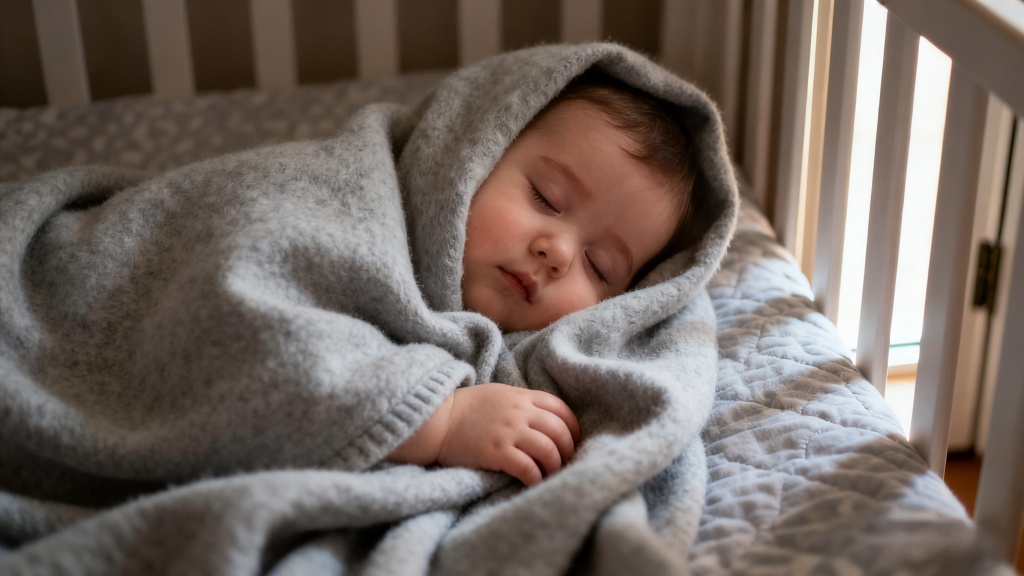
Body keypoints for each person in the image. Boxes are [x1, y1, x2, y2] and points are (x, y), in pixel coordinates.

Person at [388, 71, 699, 487]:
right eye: (545, 198)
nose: (559, 253)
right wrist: (441, 420)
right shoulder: (355, 221)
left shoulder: (543, 365)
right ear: (476, 151)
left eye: (599, 265)